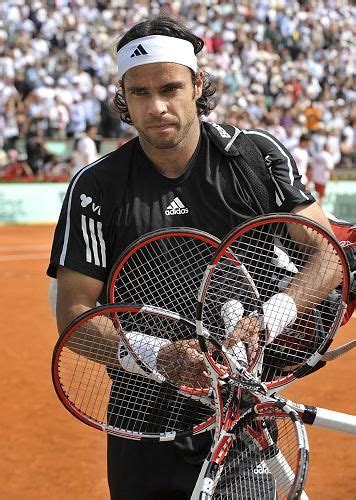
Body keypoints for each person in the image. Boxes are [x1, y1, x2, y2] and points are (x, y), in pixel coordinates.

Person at [47, 15, 338, 500]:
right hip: (141, 414)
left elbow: (326, 254)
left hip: (240, 405)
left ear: (197, 84)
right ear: (123, 95)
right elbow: (75, 313)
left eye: (170, 88)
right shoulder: (95, 187)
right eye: (139, 92)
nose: (157, 106)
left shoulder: (254, 158)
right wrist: (158, 355)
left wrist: (269, 317)